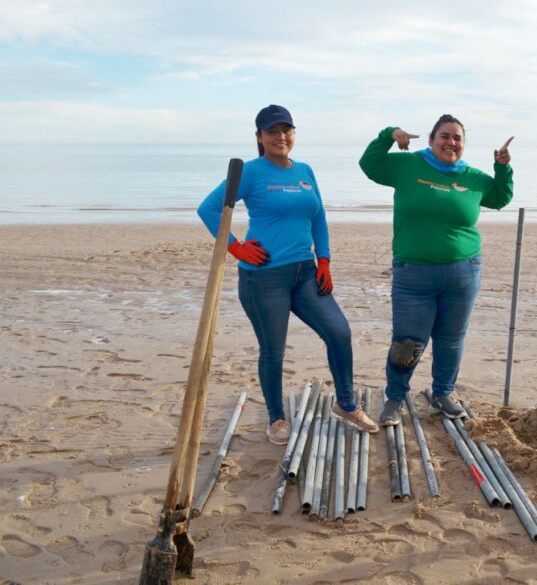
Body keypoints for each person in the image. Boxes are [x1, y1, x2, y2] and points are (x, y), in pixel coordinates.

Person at [198, 104, 379, 445]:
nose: (281, 137)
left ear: (293, 133)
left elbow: (318, 217)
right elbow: (208, 209)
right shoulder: (251, 172)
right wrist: (236, 247)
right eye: (272, 131)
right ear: (260, 138)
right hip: (263, 278)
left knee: (339, 332)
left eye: (287, 130)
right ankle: (277, 419)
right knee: (273, 350)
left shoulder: (306, 170)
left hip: (305, 273)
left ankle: (346, 404)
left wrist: (323, 260)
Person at [359, 115, 514, 425]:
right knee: (407, 341)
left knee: (451, 339)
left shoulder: (472, 177)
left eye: (457, 138)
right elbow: (369, 165)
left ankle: (442, 394)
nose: (451, 142)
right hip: (413, 273)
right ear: (431, 140)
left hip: (464, 272)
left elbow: (500, 198)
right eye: (444, 136)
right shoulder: (407, 166)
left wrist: (502, 167)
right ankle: (394, 397)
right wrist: (390, 133)